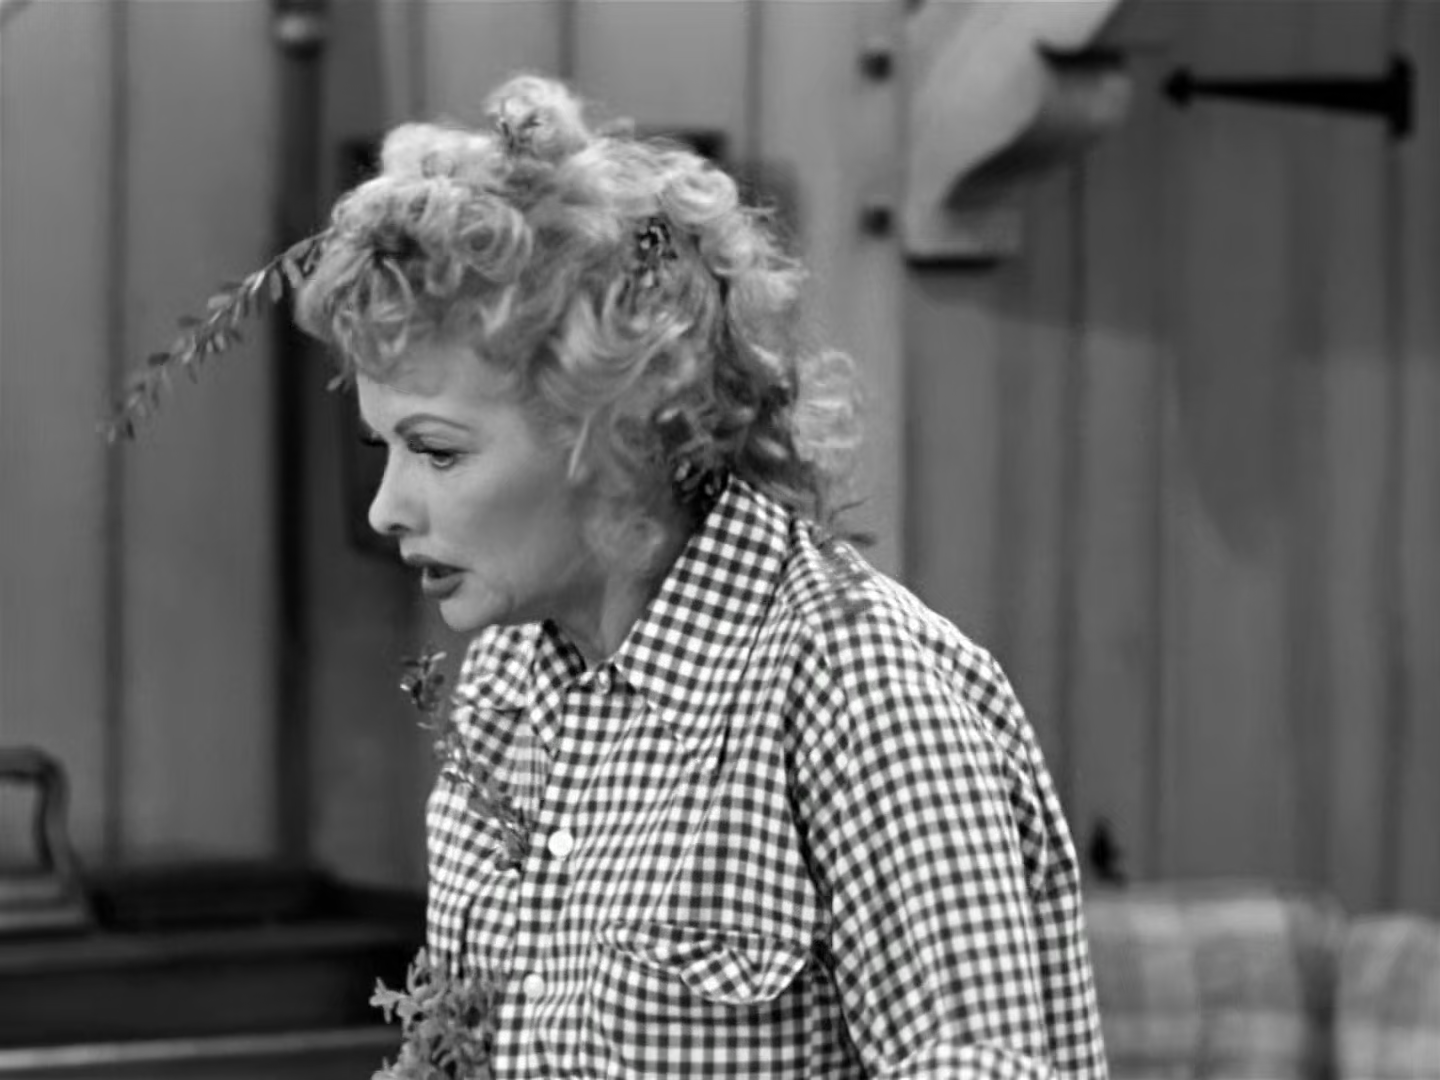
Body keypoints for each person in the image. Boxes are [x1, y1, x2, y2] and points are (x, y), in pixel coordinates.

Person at [294, 74, 1108, 1078]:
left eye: (437, 451)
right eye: (381, 448)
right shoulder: (507, 689)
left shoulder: (856, 690)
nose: (386, 509)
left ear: (613, 433)